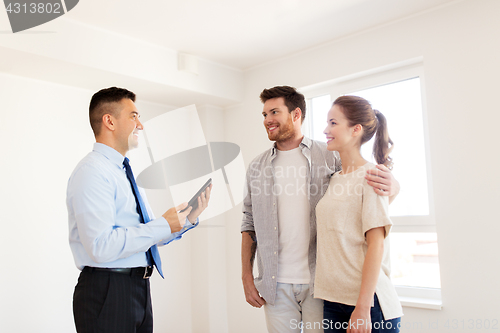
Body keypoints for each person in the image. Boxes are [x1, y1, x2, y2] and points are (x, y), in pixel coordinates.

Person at [241, 86, 400, 333]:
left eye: (274, 111)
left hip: (321, 286)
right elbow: (248, 222)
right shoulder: (257, 167)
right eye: (264, 114)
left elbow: (366, 190)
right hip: (280, 285)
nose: (267, 120)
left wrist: (394, 185)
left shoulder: (328, 156)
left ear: (296, 114)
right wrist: (247, 277)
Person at [67, 87, 212, 333]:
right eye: (134, 116)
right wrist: (162, 224)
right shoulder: (92, 172)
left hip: (138, 288)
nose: (141, 125)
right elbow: (101, 246)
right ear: (109, 121)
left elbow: (142, 236)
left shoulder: (123, 171)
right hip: (108, 291)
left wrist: (185, 220)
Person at [315, 95, 403, 333]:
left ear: (355, 129)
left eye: (333, 123)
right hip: (333, 301)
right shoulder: (333, 180)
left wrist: (363, 307)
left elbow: (376, 245)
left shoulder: (372, 176)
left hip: (369, 305)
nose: (326, 129)